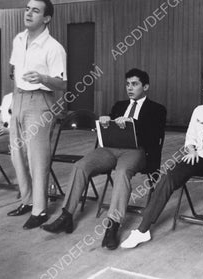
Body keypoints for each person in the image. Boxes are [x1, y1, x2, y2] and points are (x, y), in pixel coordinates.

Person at [120, 66, 203, 264]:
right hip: (198, 156)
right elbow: (190, 138)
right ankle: (142, 230)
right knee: (169, 176)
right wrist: (192, 149)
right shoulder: (199, 110)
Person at [41, 68, 167, 250]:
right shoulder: (119, 105)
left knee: (121, 173)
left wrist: (132, 125)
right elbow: (106, 134)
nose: (130, 88)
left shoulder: (157, 109)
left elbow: (154, 138)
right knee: (80, 166)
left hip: (136, 151)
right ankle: (66, 216)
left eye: (135, 84)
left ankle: (112, 225)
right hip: (110, 148)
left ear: (145, 86)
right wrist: (107, 122)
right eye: (127, 84)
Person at [6, 0, 67, 230]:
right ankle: (27, 200)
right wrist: (13, 101)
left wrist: (42, 78)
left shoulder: (54, 48)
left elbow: (62, 84)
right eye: (27, 9)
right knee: (17, 155)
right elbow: (15, 71)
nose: (28, 13)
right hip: (19, 99)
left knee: (36, 158)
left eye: (35, 11)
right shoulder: (19, 39)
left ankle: (40, 210)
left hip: (40, 102)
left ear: (47, 18)